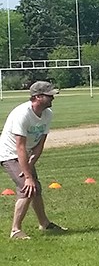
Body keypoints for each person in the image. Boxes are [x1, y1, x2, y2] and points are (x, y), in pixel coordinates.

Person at [0, 81, 66, 239]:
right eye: (49, 95)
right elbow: (19, 146)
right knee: (27, 187)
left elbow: (40, 144)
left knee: (35, 187)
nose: (53, 98)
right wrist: (27, 176)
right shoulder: (22, 114)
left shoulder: (47, 114)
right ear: (37, 97)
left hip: (26, 153)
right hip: (9, 153)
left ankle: (44, 224)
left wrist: (30, 165)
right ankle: (15, 230)